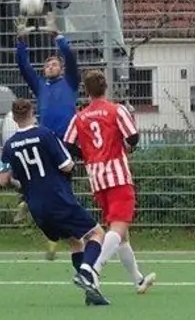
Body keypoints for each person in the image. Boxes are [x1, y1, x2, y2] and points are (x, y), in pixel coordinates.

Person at [0, 99, 111, 306]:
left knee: (75, 241)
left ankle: (91, 291)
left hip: (36, 207)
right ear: (33, 112)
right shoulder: (45, 134)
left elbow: (3, 180)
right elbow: (67, 165)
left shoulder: (9, 146)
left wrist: (23, 184)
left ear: (14, 118)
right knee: (97, 233)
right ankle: (86, 273)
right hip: (58, 199)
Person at [64, 70, 156, 295]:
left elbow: (68, 143)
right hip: (117, 174)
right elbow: (133, 137)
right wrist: (124, 147)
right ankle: (93, 270)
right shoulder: (116, 110)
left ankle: (137, 279)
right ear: (106, 87)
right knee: (118, 226)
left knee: (121, 233)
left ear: (86, 91)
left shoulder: (80, 117)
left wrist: (88, 154)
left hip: (96, 176)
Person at [15, 24, 80, 260]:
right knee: (40, 183)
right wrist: (21, 42)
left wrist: (58, 37)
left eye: (55, 63)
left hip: (66, 142)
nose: (51, 66)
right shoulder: (40, 86)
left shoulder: (70, 82)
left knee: (61, 189)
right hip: (44, 141)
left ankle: (59, 235)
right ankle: (27, 201)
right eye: (47, 64)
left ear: (61, 68)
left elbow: (70, 58)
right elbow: (24, 67)